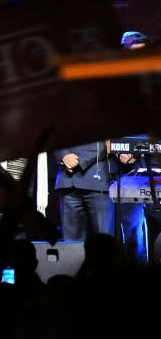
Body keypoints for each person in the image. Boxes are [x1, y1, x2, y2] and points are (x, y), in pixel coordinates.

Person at [114, 30, 152, 264]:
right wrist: (120, 148)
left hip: (156, 160)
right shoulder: (116, 90)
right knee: (130, 227)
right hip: (128, 166)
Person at [54, 140, 115, 241]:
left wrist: (78, 160)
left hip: (97, 181)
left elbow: (107, 143)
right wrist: (63, 155)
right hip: (68, 182)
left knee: (103, 241)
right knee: (70, 244)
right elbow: (53, 135)